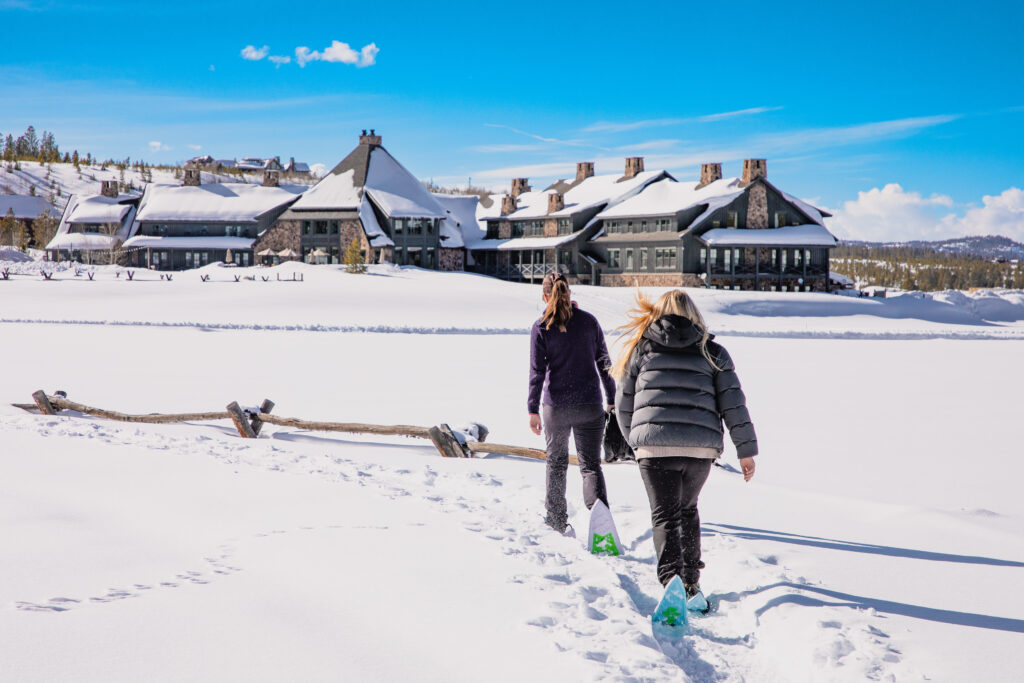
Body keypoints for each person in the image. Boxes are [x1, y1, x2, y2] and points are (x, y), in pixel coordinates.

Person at [613, 289, 757, 604]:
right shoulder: (713, 352)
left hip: (653, 449)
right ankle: (691, 586)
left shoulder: (642, 349)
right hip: (699, 450)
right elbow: (733, 404)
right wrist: (745, 450)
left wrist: (635, 440)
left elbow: (623, 401)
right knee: (687, 510)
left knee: (664, 514)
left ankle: (671, 586)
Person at [528, 272, 616, 534]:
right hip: (590, 405)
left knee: (556, 465)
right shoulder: (589, 322)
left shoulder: (541, 326)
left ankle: (556, 522)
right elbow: (605, 364)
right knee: (590, 467)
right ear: (569, 292)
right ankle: (602, 524)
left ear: (545, 295)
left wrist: (532, 409)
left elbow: (537, 372)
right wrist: (611, 398)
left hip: (555, 408)